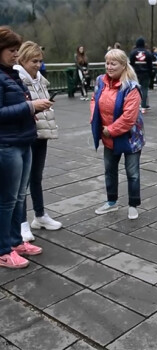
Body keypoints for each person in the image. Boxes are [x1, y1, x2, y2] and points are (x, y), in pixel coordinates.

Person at [0, 26, 47, 268]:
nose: (15, 55)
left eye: (17, 50)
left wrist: (32, 111)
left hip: (23, 140)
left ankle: (16, 241)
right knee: (7, 200)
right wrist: (30, 108)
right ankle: (3, 249)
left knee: (19, 197)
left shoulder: (12, 74)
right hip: (7, 144)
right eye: (11, 50)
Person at [14, 41, 62, 242]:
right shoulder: (16, 79)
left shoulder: (40, 79)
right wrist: (35, 106)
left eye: (40, 61)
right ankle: (22, 222)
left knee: (36, 177)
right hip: (26, 134)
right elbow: (18, 107)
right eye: (34, 61)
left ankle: (40, 215)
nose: (38, 65)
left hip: (41, 133)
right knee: (21, 182)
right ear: (23, 60)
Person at [91, 49, 145, 220]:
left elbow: (129, 117)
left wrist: (111, 130)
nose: (109, 66)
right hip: (108, 137)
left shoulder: (131, 87)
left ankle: (133, 205)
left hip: (130, 138)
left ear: (123, 65)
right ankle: (111, 202)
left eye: (113, 63)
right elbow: (94, 100)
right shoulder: (101, 81)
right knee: (110, 171)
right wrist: (96, 120)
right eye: (107, 63)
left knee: (132, 173)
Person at [129, 37, 153, 113]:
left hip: (136, 73)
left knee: (135, 89)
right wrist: (150, 73)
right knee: (144, 89)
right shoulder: (148, 53)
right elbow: (150, 65)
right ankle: (143, 106)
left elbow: (131, 64)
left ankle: (135, 105)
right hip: (145, 74)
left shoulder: (133, 52)